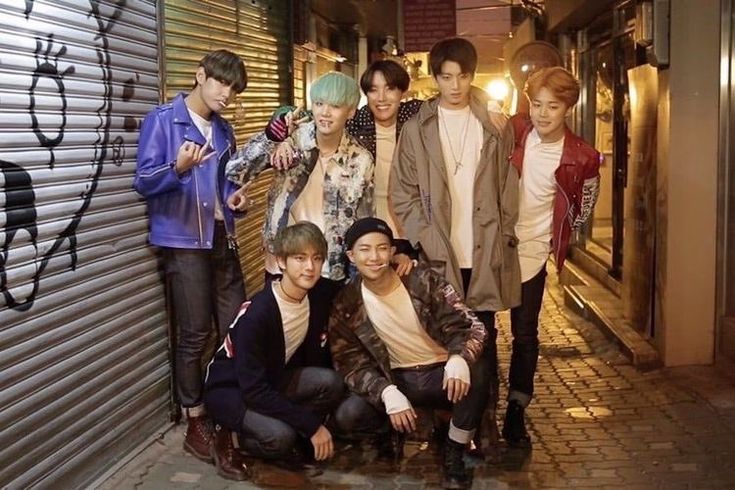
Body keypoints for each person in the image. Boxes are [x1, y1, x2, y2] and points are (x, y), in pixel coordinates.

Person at [389, 37, 521, 450]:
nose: (455, 85)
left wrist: (503, 234)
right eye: (446, 77)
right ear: (436, 78)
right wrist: (425, 236)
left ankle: (484, 421)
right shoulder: (418, 128)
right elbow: (401, 192)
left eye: (463, 76)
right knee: (441, 336)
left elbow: (508, 187)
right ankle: (447, 422)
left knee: (486, 335)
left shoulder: (495, 125)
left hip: (482, 249)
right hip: (438, 251)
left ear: (472, 75)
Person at [133, 49, 248, 471]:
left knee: (235, 328)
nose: (226, 93)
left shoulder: (225, 131)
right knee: (195, 332)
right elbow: (142, 181)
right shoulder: (162, 120)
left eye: (234, 88)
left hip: (221, 238)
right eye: (221, 82)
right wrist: (177, 168)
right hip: (182, 242)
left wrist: (235, 202)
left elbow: (226, 187)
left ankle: (228, 416)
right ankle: (196, 419)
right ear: (200, 76)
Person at [329, 217, 491, 490]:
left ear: (393, 251)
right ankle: (389, 434)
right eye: (364, 249)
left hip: (442, 373)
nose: (374, 257)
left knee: (479, 370)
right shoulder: (346, 302)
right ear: (351, 256)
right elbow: (349, 362)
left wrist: (459, 357)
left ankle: (454, 449)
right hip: (399, 380)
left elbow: (472, 326)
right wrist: (386, 391)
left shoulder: (422, 280)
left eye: (382, 248)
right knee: (349, 414)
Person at [503, 66, 601, 446]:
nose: (543, 113)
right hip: (496, 244)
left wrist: (551, 237)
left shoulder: (583, 156)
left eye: (553, 106)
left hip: (532, 250)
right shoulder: (514, 132)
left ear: (568, 108)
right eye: (537, 104)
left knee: (524, 334)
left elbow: (585, 207)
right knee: (482, 326)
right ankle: (477, 408)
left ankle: (516, 408)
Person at [204, 222, 344, 479]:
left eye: (316, 258)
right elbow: (254, 390)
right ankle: (228, 437)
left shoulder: (317, 291)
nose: (309, 267)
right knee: (280, 437)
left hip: (271, 378)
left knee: (330, 382)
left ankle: (296, 440)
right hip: (233, 389)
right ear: (281, 261)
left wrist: (402, 261)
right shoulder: (259, 313)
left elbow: (357, 288)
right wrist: (312, 426)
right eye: (299, 258)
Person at [225, 71, 374, 282]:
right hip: (283, 262)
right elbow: (234, 170)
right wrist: (271, 138)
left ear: (350, 112)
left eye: (335, 106)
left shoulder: (361, 159)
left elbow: (363, 220)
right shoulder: (292, 139)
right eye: (319, 103)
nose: (325, 112)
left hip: (330, 268)